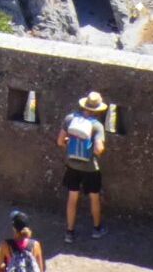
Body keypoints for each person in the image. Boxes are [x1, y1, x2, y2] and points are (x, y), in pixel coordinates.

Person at [58, 90, 110, 242]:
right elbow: (99, 149)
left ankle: (69, 232)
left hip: (72, 165)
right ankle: (97, 229)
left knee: (72, 197)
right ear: (98, 109)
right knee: (94, 198)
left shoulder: (70, 119)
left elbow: (60, 141)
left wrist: (70, 143)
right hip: (90, 168)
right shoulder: (97, 126)